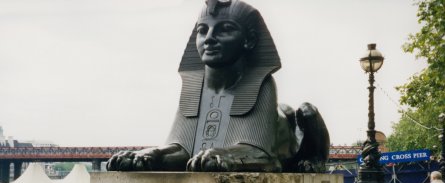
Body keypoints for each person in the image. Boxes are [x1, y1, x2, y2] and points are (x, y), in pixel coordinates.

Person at [107, 0, 329, 173]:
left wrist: (228, 156)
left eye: (224, 29)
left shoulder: (263, 85)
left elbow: (264, 157)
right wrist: (151, 155)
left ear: (249, 40)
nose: (209, 38)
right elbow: (183, 150)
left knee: (307, 111)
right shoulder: (195, 87)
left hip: (291, 146)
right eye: (203, 30)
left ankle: (316, 159)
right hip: (219, 149)